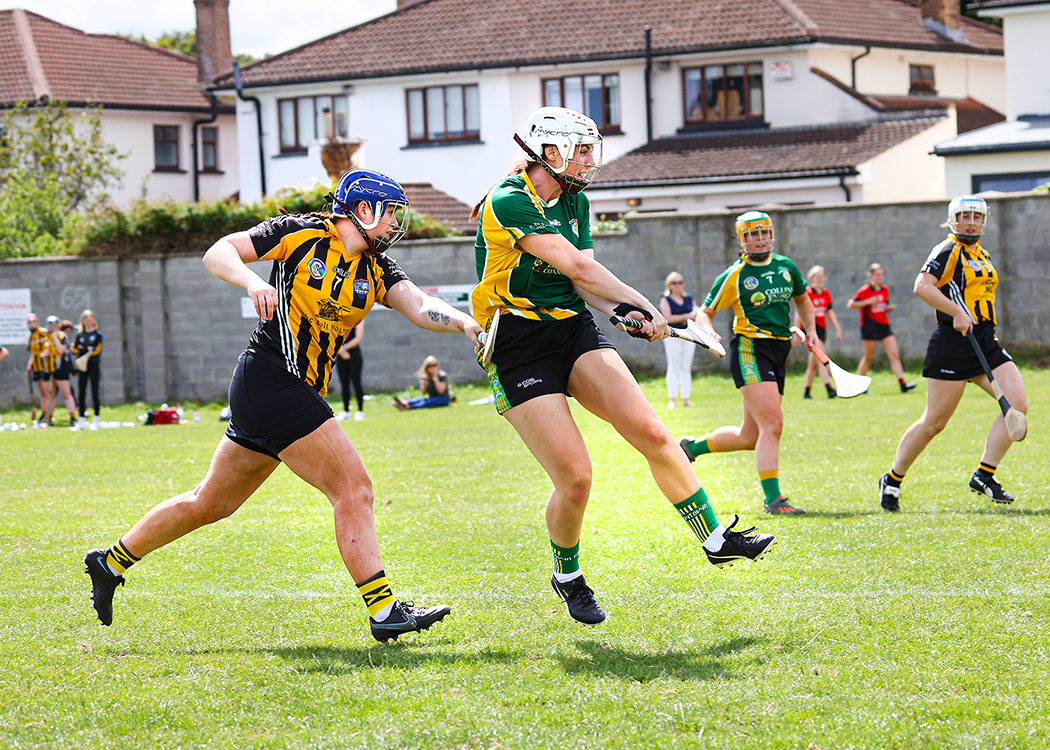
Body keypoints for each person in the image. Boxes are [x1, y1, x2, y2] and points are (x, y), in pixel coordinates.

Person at [83, 168, 482, 643]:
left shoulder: (375, 268)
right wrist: (252, 283)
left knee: (211, 503)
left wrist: (465, 323)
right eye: (390, 214)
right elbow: (219, 252)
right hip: (272, 378)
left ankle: (109, 562)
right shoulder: (299, 234)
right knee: (353, 488)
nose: (395, 225)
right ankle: (383, 610)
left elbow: (417, 305)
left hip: (283, 391)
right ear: (362, 210)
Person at [469, 106, 775, 626]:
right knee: (576, 478)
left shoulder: (575, 200)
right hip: (518, 343)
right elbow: (580, 265)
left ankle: (716, 538)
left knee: (653, 433)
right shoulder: (508, 200)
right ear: (551, 152)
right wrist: (648, 305)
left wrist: (624, 314)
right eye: (582, 150)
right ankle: (567, 575)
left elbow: (583, 286)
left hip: (570, 329)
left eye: (590, 149)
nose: (590, 160)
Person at [878, 196, 1028, 511]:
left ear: (983, 220)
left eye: (976, 216)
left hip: (985, 341)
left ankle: (984, 475)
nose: (970, 222)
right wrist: (955, 311)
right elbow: (922, 286)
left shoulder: (981, 253)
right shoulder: (947, 250)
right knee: (934, 421)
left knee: (1017, 405)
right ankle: (892, 479)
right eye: (963, 216)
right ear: (952, 219)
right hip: (953, 343)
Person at [679, 211, 817, 516]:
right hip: (750, 350)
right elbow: (704, 312)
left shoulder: (786, 267)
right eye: (751, 235)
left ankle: (690, 448)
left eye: (763, 233)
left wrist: (812, 330)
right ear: (741, 239)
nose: (758, 240)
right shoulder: (734, 275)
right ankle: (774, 500)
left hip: (779, 351)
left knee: (749, 436)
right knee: (774, 425)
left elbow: (803, 299)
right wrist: (710, 331)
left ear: (771, 234)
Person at [847, 263, 916, 393]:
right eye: (877, 274)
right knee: (868, 358)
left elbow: (883, 306)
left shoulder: (884, 289)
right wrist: (868, 301)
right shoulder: (866, 289)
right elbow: (851, 304)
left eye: (881, 274)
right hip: (870, 327)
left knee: (894, 354)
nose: (879, 277)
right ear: (871, 276)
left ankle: (903, 384)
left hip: (884, 326)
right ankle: (859, 387)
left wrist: (888, 309)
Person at [796, 265, 843, 399]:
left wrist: (838, 330)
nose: (820, 279)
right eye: (817, 276)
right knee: (822, 357)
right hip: (809, 330)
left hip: (821, 330)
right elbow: (799, 312)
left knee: (813, 363)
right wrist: (795, 331)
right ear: (811, 278)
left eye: (822, 276)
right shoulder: (808, 292)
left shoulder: (826, 293)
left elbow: (830, 313)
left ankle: (807, 391)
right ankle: (829, 388)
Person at [658, 271, 699, 409]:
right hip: (673, 335)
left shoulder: (689, 298)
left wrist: (689, 317)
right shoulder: (665, 299)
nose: (677, 285)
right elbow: (667, 318)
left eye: (679, 282)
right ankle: (673, 399)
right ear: (669, 285)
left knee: (686, 367)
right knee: (674, 366)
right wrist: (687, 316)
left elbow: (697, 314)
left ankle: (686, 398)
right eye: (674, 283)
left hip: (689, 334)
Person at [72, 309, 104, 429]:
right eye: (86, 319)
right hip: (82, 366)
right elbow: (74, 349)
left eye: (91, 319)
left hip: (93, 365)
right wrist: (83, 349)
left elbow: (96, 351)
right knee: (81, 392)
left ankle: (96, 419)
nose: (89, 321)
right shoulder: (79, 335)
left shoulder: (97, 335)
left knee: (95, 391)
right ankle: (81, 420)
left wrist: (84, 349)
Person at [25, 313, 57, 426]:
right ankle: (44, 415)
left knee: (48, 393)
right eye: (29, 322)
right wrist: (30, 364)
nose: (31, 324)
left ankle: (47, 415)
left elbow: (50, 346)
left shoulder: (44, 333)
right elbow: (33, 353)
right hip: (36, 367)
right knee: (43, 393)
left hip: (45, 367)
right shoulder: (32, 336)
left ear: (37, 321)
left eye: (33, 321)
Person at [334, 323, 366, 421]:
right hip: (340, 354)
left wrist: (345, 348)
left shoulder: (359, 319)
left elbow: (358, 338)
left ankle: (360, 411)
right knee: (344, 383)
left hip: (353, 354)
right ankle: (346, 411)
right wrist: (340, 350)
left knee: (356, 382)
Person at [51, 319, 79, 426]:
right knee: (50, 395)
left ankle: (73, 417)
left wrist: (72, 369)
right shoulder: (47, 337)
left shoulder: (61, 337)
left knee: (67, 393)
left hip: (61, 369)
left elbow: (62, 351)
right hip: (50, 369)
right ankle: (47, 418)